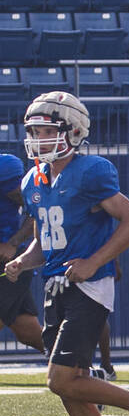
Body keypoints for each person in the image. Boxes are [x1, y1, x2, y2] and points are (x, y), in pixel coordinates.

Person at [7, 91, 129, 416]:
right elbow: (46, 239)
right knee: (71, 385)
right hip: (54, 285)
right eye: (33, 131)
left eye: (45, 130)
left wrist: (95, 261)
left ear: (73, 131)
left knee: (59, 379)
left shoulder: (91, 170)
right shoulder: (33, 179)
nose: (37, 138)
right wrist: (23, 261)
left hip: (90, 286)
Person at [0, 148, 45, 355]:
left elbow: (36, 210)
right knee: (27, 330)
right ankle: (75, 363)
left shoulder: (6, 167)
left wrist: (12, 242)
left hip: (8, 260)